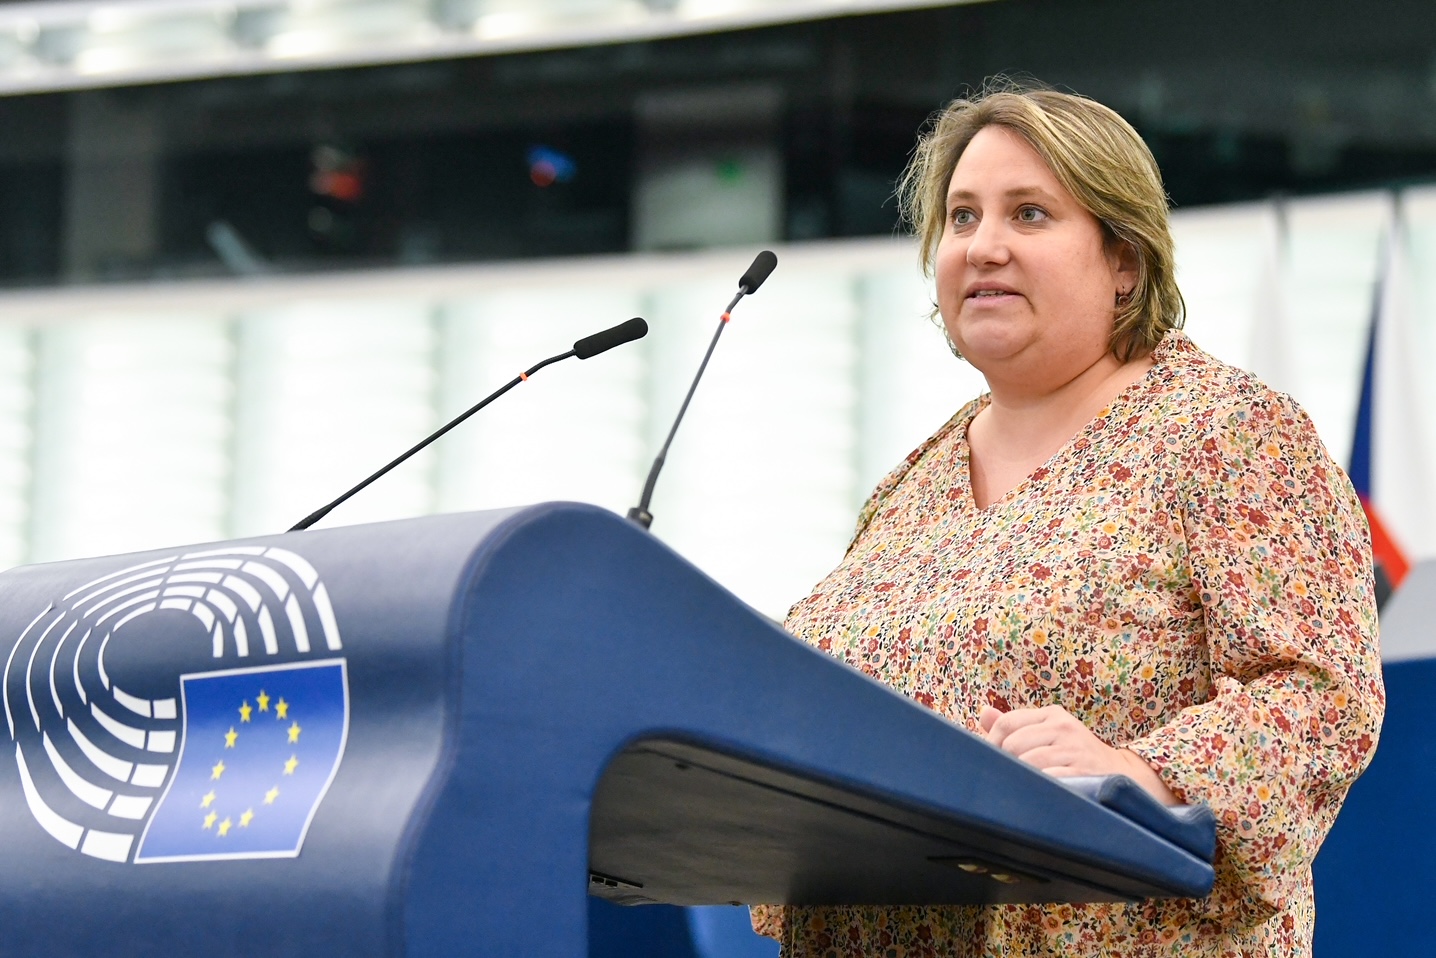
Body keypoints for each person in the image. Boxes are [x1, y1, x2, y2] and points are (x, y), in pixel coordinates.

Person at [752, 82, 1384, 957]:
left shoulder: (1225, 430)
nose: (985, 247)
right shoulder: (909, 484)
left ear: (1124, 258)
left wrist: (1148, 776)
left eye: (1031, 215)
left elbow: (1319, 695)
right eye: (962, 217)